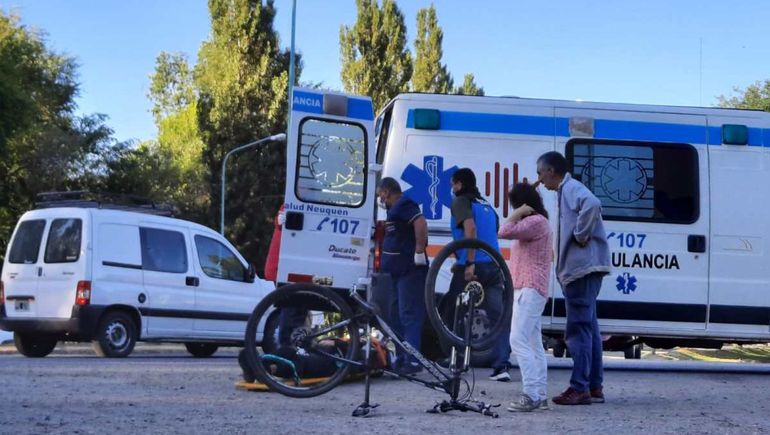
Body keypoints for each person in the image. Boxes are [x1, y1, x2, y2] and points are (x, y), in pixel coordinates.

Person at [536, 151, 611, 406]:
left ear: (551, 171)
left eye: (540, 173)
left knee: (578, 330)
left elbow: (592, 204)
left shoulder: (570, 188)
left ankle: (579, 387)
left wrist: (580, 235)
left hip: (581, 270)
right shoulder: (565, 191)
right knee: (589, 328)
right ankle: (594, 386)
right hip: (585, 269)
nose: (539, 180)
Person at [447, 168, 510, 381]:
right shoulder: (486, 205)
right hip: (494, 266)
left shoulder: (460, 201)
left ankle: (455, 359)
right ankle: (501, 366)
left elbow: (471, 230)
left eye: (453, 184)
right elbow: (492, 232)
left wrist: (469, 263)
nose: (452, 188)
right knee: (497, 316)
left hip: (473, 265)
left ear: (460, 184)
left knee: (450, 311)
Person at [498, 182, 553, 412]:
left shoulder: (534, 222)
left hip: (529, 289)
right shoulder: (540, 223)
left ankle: (531, 394)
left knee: (517, 339)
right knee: (533, 343)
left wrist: (517, 213)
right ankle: (540, 394)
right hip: (531, 288)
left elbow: (503, 231)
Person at [377, 177, 429, 375]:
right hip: (397, 271)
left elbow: (420, 223)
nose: (380, 199)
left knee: (409, 314)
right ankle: (401, 358)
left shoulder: (404, 204)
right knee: (395, 315)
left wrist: (419, 250)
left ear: (387, 191)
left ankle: (413, 360)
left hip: (409, 270)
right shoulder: (394, 209)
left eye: (381, 194)